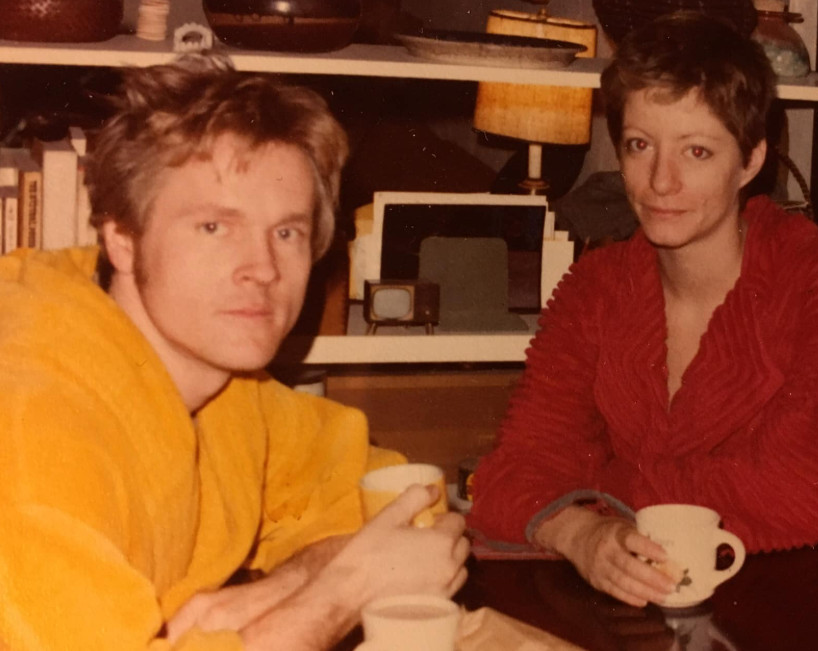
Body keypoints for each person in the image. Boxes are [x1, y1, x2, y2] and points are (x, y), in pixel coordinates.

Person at [0, 55, 468, 650]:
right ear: (122, 238)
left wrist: (269, 595)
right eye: (215, 228)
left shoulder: (221, 382)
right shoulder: (31, 425)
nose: (263, 269)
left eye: (286, 232)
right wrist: (340, 592)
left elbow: (399, 502)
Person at [469, 12, 818, 608]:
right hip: (623, 603)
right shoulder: (595, 287)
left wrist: (592, 499)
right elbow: (513, 472)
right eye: (640, 145)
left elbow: (798, 496)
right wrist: (581, 533)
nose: (661, 182)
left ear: (750, 160)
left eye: (697, 151)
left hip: (771, 608)